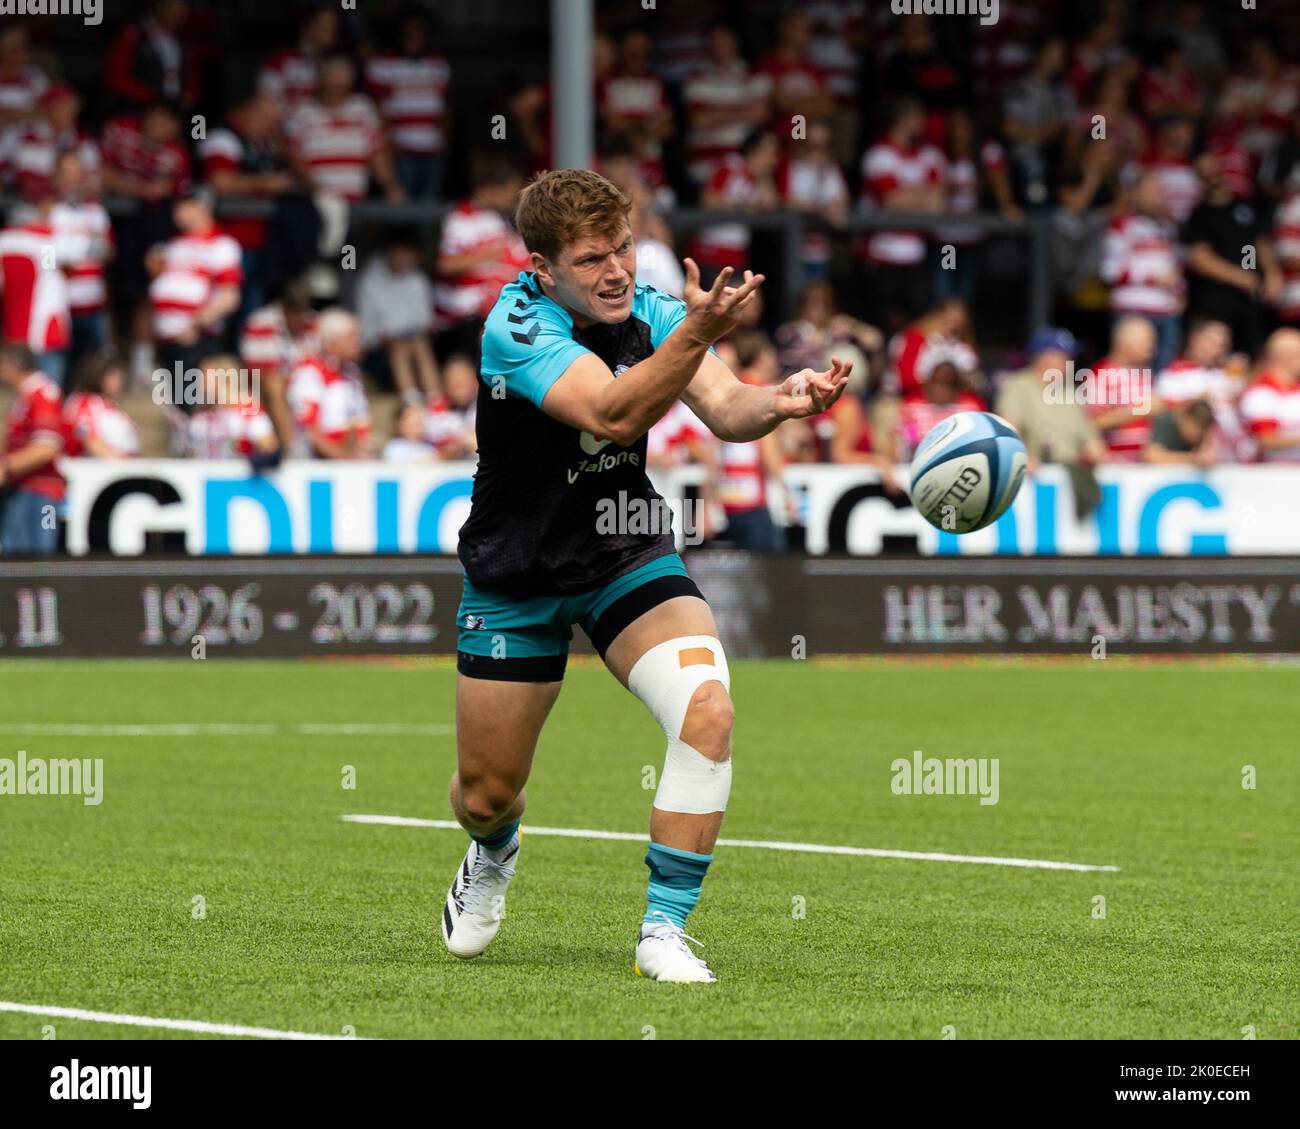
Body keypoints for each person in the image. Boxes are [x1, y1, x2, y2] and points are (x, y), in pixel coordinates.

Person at [443, 168, 848, 982]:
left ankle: (664, 929)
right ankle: (492, 853)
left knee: (709, 710)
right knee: (486, 792)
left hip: (624, 551)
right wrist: (695, 335)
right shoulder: (514, 327)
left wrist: (784, 399)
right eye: (592, 258)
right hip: (516, 573)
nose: (617, 269)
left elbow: (728, 410)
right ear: (541, 268)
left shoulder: (657, 310)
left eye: (622, 246)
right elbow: (615, 412)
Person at [357, 230, 438, 403]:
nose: (406, 259)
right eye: (403, 253)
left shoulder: (418, 280)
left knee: (419, 343)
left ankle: (435, 399)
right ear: (391, 252)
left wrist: (414, 332)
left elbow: (425, 322)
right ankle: (411, 401)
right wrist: (385, 338)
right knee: (399, 346)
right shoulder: (369, 281)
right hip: (378, 352)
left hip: (413, 342)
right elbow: (365, 330)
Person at [0, 343, 65, 555]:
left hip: (42, 493)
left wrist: (6, 466)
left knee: (38, 563)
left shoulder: (42, 394)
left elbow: (47, 447)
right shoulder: (26, 396)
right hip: (23, 488)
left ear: (12, 365)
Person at [287, 308, 372, 460]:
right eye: (352, 337)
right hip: (317, 464)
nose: (358, 342)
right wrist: (345, 459)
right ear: (332, 341)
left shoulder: (351, 373)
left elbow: (359, 422)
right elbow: (310, 431)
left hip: (350, 461)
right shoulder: (309, 373)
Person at [63, 350, 139, 458]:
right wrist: (121, 465)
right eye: (114, 376)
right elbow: (88, 439)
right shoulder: (83, 402)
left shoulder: (110, 406)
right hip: (96, 470)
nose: (120, 381)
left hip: (118, 468)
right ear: (99, 377)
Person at [1143, 400, 1219, 467]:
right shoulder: (1166, 422)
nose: (1196, 434)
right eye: (1194, 426)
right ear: (1185, 418)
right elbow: (1152, 456)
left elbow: (1211, 456)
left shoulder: (1205, 433)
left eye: (1201, 430)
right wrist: (1193, 459)